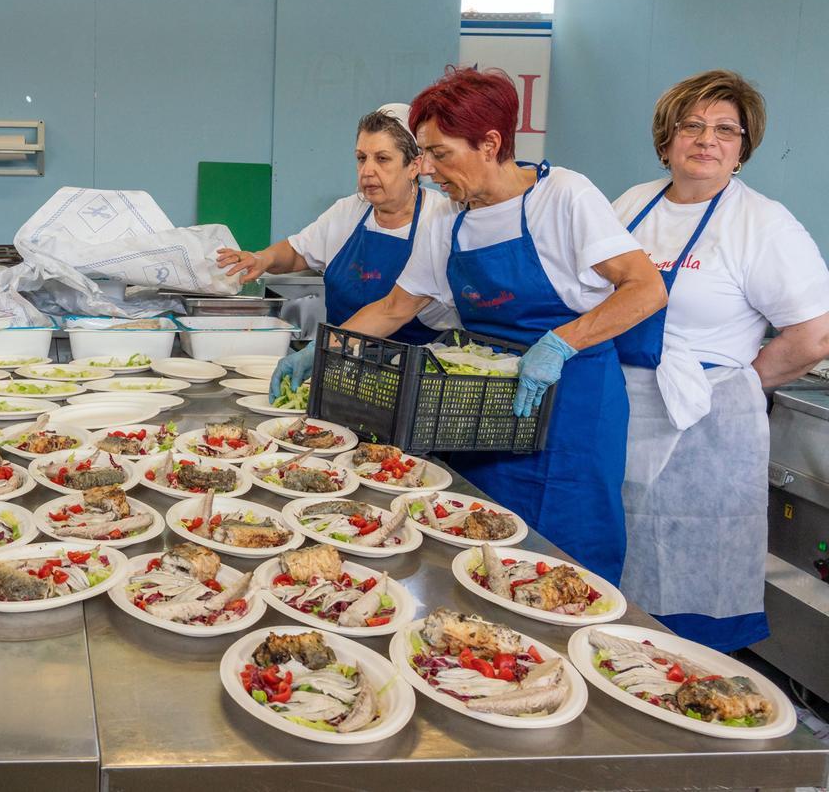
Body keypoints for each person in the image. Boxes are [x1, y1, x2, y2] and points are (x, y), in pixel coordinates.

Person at [293, 68, 667, 584]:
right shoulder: (448, 216)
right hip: (482, 410)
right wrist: (327, 351)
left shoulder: (564, 196)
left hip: (572, 407)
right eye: (422, 154)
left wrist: (559, 344)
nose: (425, 170)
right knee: (476, 546)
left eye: (439, 154)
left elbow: (646, 288)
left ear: (489, 144)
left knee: (565, 562)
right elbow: (397, 306)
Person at [614, 70, 829, 651]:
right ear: (667, 141)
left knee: (685, 578)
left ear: (742, 149)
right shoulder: (633, 204)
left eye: (725, 130)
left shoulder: (762, 223)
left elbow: (815, 335)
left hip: (702, 430)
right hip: (620, 410)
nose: (707, 139)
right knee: (614, 568)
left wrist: (732, 388)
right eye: (692, 125)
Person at [215, 105, 458, 393]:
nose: (367, 171)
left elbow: (393, 309)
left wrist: (321, 348)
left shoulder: (441, 218)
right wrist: (262, 258)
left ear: (414, 166)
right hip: (340, 371)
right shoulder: (349, 211)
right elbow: (298, 251)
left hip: (414, 384)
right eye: (361, 158)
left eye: (382, 159)